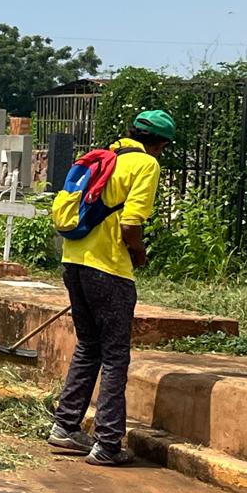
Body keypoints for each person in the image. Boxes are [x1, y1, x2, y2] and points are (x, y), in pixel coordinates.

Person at [48, 110, 175, 466]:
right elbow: (131, 224)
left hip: (74, 261)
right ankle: (106, 443)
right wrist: (139, 254)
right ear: (160, 144)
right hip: (110, 269)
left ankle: (65, 425)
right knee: (116, 355)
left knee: (89, 346)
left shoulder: (105, 155)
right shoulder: (146, 165)